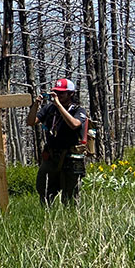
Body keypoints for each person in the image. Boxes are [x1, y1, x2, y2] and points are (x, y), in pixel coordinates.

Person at [26, 78, 88, 206]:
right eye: (56, 92)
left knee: (70, 196)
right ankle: (47, 218)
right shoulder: (49, 109)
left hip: (71, 157)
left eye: (61, 93)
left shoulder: (78, 110)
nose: (58, 95)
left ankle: (71, 220)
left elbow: (74, 124)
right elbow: (31, 122)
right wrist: (36, 105)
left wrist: (59, 105)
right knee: (44, 189)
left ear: (71, 94)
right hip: (51, 157)